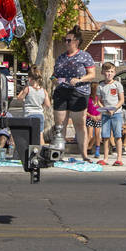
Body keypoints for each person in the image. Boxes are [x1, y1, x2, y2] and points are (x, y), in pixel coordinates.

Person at [51, 28, 97, 161]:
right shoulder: (61, 57)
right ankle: (59, 153)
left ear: (76, 42)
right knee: (60, 125)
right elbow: (53, 76)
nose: (66, 43)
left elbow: (92, 75)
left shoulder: (85, 56)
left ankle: (84, 155)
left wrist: (79, 80)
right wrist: (54, 80)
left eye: (68, 40)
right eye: (65, 40)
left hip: (79, 92)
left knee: (79, 124)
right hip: (61, 92)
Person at [96, 62, 125, 166]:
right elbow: (99, 101)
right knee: (105, 136)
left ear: (114, 73)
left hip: (116, 113)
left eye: (111, 71)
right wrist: (104, 108)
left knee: (117, 135)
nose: (109, 74)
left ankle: (119, 158)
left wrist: (114, 109)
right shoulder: (100, 86)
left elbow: (121, 100)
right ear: (103, 72)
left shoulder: (117, 85)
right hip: (105, 114)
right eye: (107, 71)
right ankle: (105, 158)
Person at [12, 72, 51, 145]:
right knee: (40, 136)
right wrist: (40, 103)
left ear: (30, 79)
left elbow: (19, 98)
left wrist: (23, 89)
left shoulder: (28, 89)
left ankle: (26, 153)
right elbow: (48, 104)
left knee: (27, 135)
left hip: (29, 114)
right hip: (40, 115)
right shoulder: (44, 91)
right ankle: (41, 152)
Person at [85, 84, 102, 160]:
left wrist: (100, 115)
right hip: (90, 117)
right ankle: (84, 150)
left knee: (97, 134)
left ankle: (97, 151)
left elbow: (103, 108)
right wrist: (92, 116)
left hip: (98, 118)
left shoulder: (100, 99)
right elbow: (84, 110)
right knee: (90, 135)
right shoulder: (88, 99)